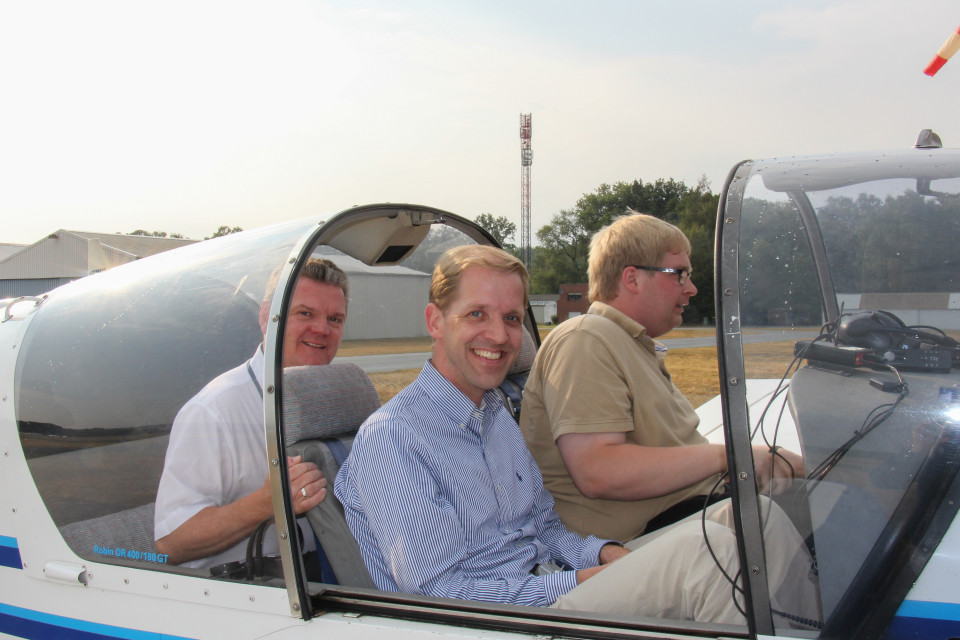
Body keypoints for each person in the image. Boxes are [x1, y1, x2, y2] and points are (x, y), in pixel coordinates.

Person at [334, 244, 803, 624]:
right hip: (495, 621)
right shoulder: (394, 438)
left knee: (753, 521)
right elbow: (440, 593)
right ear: (436, 322)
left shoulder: (495, 415)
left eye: (512, 318)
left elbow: (546, 526)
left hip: (553, 583)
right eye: (476, 314)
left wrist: (604, 552)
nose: (498, 335)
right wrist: (580, 581)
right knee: (711, 557)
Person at [519, 212, 805, 542]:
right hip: (629, 544)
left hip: (689, 515)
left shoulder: (630, 344)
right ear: (632, 279)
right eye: (679, 274)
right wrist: (731, 456)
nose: (692, 289)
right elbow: (599, 472)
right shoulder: (586, 339)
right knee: (792, 521)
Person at [155, 258, 347, 569]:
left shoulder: (336, 402)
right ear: (266, 317)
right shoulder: (213, 412)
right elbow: (170, 543)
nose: (321, 329)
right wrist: (269, 503)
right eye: (305, 313)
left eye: (335, 319)